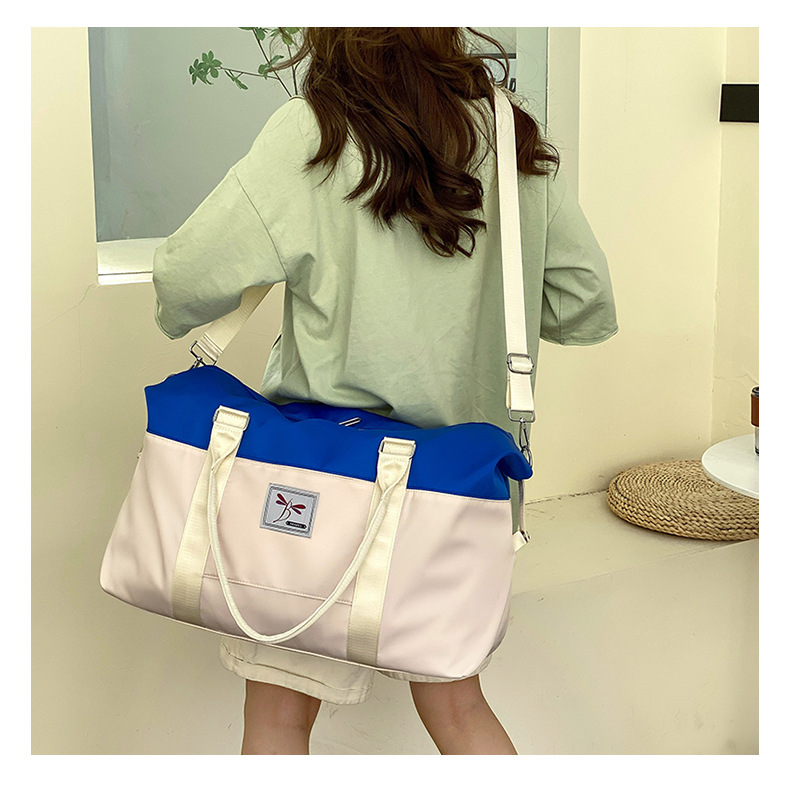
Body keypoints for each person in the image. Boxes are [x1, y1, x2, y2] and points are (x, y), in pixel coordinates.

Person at [152, 27, 618, 755]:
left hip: (315, 487)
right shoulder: (506, 132)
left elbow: (183, 277)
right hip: (455, 494)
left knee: (278, 716)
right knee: (459, 710)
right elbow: (581, 302)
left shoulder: (314, 134)